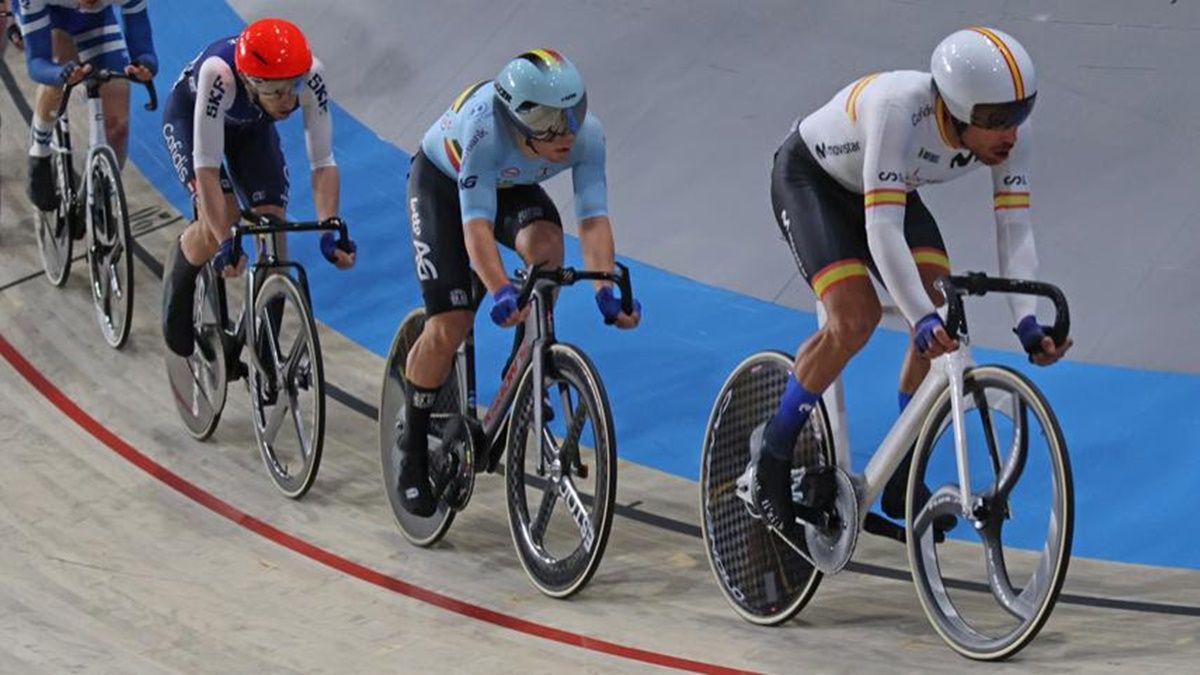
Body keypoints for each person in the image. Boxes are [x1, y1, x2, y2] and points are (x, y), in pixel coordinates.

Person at [757, 27, 1073, 540]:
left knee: (945, 314)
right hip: (813, 182)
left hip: (889, 186)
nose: (1010, 134)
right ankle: (774, 454)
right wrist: (918, 318)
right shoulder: (898, 108)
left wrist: (1029, 325)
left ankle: (903, 469)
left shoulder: (1007, 131)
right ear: (955, 109)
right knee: (854, 320)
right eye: (996, 122)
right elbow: (880, 228)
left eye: (1020, 113)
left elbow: (1014, 228)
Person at [396, 48, 641, 516]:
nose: (566, 131)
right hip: (443, 188)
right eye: (550, 120)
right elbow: (476, 229)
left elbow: (592, 220)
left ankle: (525, 373)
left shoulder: (586, 136)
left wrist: (605, 289)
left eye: (574, 112)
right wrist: (499, 289)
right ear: (515, 122)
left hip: (509, 184)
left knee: (548, 247)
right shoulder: (485, 132)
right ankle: (412, 444)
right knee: (449, 323)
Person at [159, 17, 356, 360]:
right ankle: (183, 265)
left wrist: (328, 227)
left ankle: (266, 348)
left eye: (292, 87)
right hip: (191, 121)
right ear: (249, 83)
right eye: (276, 91)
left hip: (250, 130)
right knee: (224, 217)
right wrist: (223, 241)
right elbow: (206, 170)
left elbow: (322, 161)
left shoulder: (311, 76)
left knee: (274, 224)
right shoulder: (218, 74)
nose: (287, 101)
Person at [12, 0, 157, 214]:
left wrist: (145, 66)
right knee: (59, 69)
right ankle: (40, 151)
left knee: (117, 127)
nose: (91, 3)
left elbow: (143, 48)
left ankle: (102, 191)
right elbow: (37, 63)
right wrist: (59, 74)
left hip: (96, 21)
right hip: (51, 14)